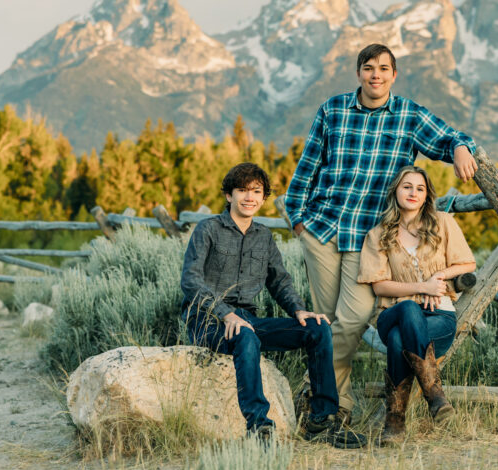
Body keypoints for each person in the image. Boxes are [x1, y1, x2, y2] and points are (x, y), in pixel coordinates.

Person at [285, 43, 477, 425]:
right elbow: (307, 165)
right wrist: (297, 218)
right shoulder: (333, 110)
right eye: (369, 68)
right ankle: (334, 407)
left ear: (394, 75)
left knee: (353, 319)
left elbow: (448, 136)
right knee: (325, 321)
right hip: (323, 228)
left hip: (367, 239)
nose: (376, 74)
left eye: (384, 68)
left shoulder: (407, 114)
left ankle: (320, 390)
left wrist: (459, 147)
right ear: (358, 73)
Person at [180, 162, 366, 448]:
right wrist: (225, 314)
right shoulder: (208, 229)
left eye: (256, 191)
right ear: (229, 195)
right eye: (242, 190)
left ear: (264, 197)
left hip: (248, 321)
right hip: (208, 321)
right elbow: (191, 281)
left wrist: (298, 310)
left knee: (317, 329)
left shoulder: (264, 236)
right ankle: (259, 427)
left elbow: (279, 281)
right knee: (246, 335)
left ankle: (323, 421)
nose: (249, 197)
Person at [358, 166, 476, 443]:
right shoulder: (378, 234)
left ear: (427, 195)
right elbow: (380, 285)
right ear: (395, 191)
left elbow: (467, 263)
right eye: (406, 186)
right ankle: (434, 395)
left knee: (400, 340)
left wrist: (440, 275)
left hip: (439, 318)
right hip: (393, 314)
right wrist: (421, 287)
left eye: (420, 188)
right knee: (408, 310)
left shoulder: (443, 222)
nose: (413, 193)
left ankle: (395, 424)